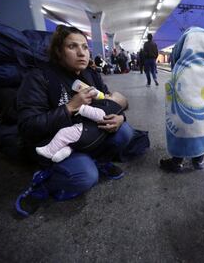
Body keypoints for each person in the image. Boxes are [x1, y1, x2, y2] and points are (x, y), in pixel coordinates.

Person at [15, 25, 134, 217]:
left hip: (85, 135)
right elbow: (28, 126)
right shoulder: (39, 77)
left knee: (125, 131)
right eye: (72, 47)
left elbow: (109, 102)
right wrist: (69, 108)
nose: (81, 53)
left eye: (85, 47)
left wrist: (120, 118)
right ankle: (44, 182)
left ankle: (98, 160)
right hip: (56, 142)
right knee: (85, 176)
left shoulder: (91, 75)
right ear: (58, 52)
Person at [159, 27, 204, 172]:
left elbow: (175, 59)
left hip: (182, 111)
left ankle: (177, 161)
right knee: (202, 124)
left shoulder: (180, 69)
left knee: (180, 124)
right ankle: (199, 160)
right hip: (202, 112)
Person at [36, 91, 128, 162]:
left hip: (84, 131)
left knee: (64, 133)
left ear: (114, 103)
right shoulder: (113, 108)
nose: (106, 94)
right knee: (71, 143)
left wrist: (82, 108)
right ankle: (64, 152)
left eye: (110, 95)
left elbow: (101, 115)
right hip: (89, 137)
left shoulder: (108, 106)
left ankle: (49, 151)